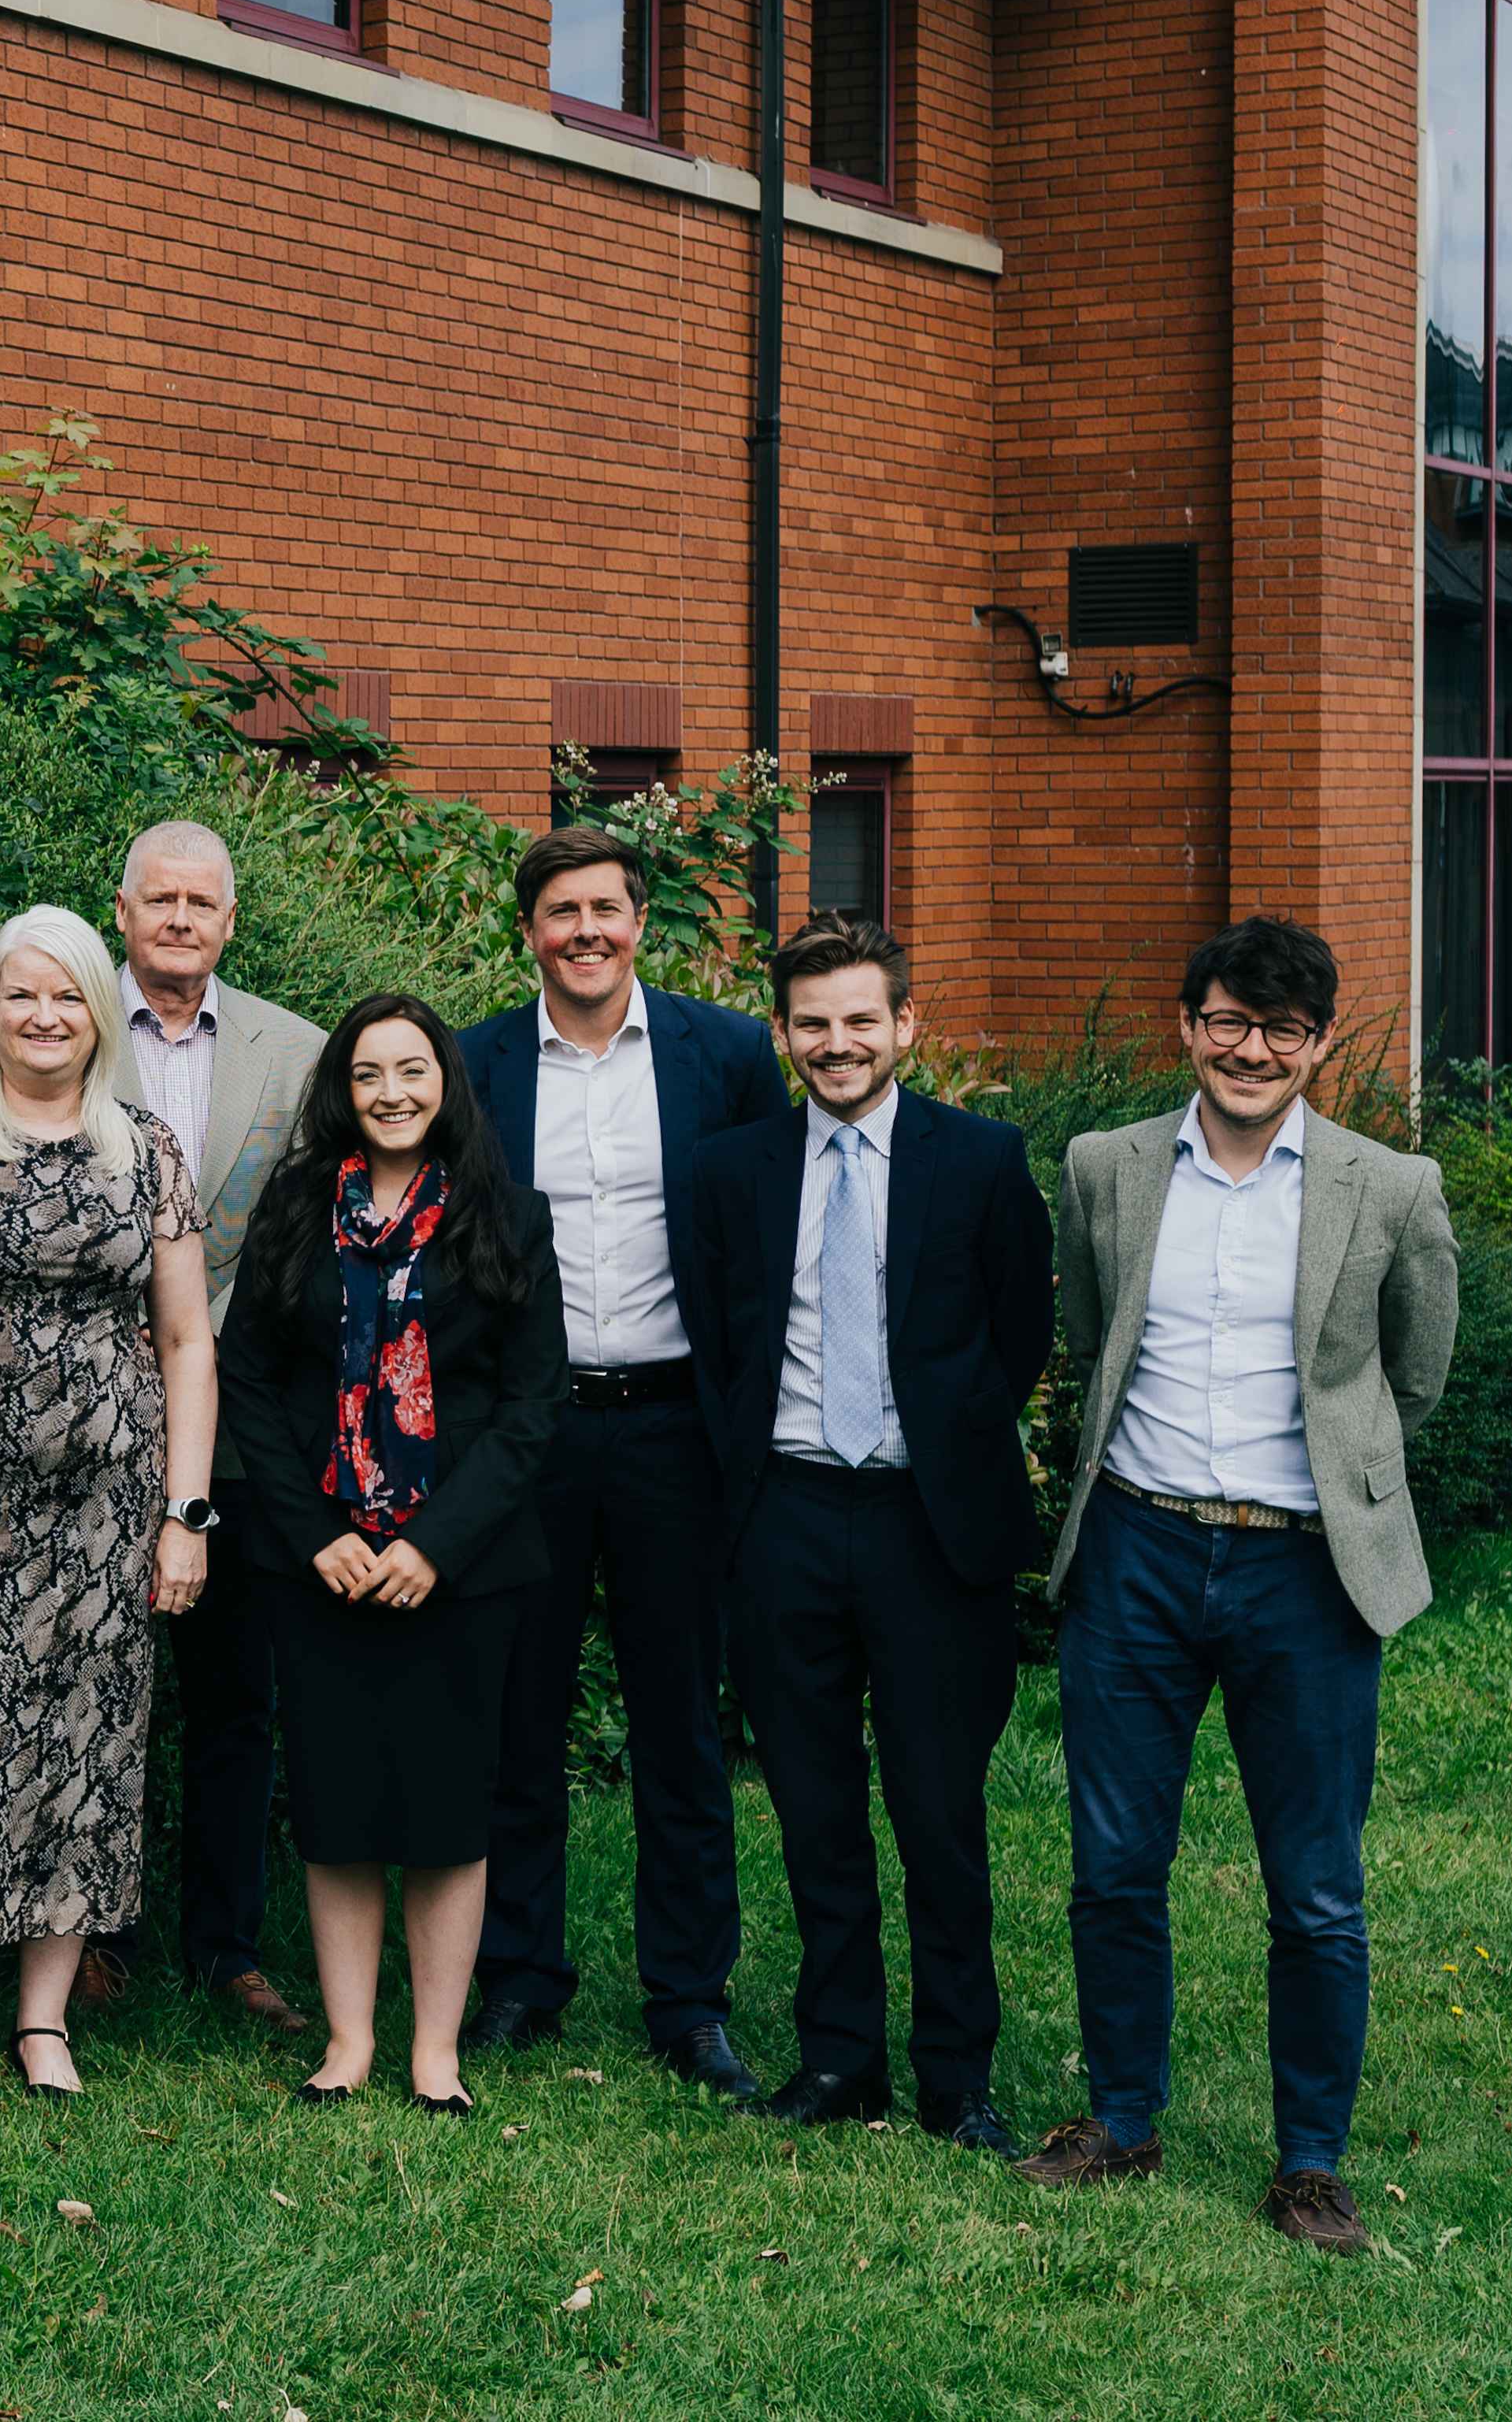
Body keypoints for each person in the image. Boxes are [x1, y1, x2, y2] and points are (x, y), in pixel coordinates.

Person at [1017, 918, 1459, 2256]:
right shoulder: (1103, 1169)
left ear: (1315, 1042)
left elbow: (1412, 1370)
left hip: (1302, 1566)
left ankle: (1308, 2161)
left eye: (1278, 1027)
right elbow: (1090, 1334)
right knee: (1110, 1862)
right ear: (1185, 1025)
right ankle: (1118, 2117)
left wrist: (1336, 1480)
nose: (1248, 1047)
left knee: (1312, 1883)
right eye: (1224, 1019)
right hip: (1136, 1549)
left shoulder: (1386, 1185)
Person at [693, 917, 1049, 2152]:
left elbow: (1014, 1339)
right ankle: (839, 2060)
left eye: (858, 1019)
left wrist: (941, 1450)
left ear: (904, 1024)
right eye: (809, 1023)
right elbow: (720, 1341)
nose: (833, 1044)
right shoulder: (731, 1168)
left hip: (926, 1525)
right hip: (782, 1515)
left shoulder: (982, 1161)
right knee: (811, 1808)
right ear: (781, 1032)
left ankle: (956, 2078)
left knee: (939, 1814)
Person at [450, 827, 787, 2092]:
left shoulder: (726, 1056)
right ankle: (518, 1978)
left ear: (640, 921)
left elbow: (763, 1242)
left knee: (676, 1726)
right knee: (516, 1719)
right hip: (530, 1432)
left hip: (670, 1430)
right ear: (528, 932)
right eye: (557, 913)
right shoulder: (477, 1062)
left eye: (603, 909)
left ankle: (689, 2000)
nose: (582, 932)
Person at [0, 908, 217, 2098]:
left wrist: (184, 1515)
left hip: (107, 1506)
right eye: (20, 996)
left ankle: (44, 2022)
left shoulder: (144, 1148)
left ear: (95, 1011)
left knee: (88, 1750)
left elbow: (184, 1340)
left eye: (67, 998)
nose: (42, 1018)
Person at [220, 994, 569, 2114]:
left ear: (444, 1083)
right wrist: (316, 1535)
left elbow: (529, 1405)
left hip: (457, 1568)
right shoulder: (290, 1214)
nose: (390, 1094)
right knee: (335, 1810)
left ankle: (434, 2053)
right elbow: (250, 1387)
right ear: (341, 1090)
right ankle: (348, 2042)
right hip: (318, 1562)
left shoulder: (506, 1218)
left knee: (443, 1814)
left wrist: (432, 1543)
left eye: (411, 1071)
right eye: (367, 1074)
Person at [110, 818, 328, 2036]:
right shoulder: (61, 1025)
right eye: (159, 899)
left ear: (228, 921)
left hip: (242, 1427)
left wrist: (216, 1350)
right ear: (124, 913)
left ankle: (225, 1945)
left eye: (201, 902)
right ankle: (92, 1935)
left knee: (235, 1699)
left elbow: (302, 1240)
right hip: (87, 1414)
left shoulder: (294, 1054)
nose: (180, 919)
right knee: (97, 1688)